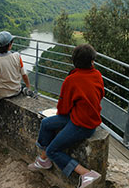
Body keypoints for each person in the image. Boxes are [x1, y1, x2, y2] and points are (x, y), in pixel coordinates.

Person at [27, 44, 105, 188]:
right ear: (91, 62)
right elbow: (100, 95)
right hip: (83, 116)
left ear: (74, 62)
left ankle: (86, 174)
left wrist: (65, 113)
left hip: (83, 124)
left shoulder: (71, 80)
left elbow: (62, 109)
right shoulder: (97, 75)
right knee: (46, 124)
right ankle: (43, 160)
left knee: (53, 150)